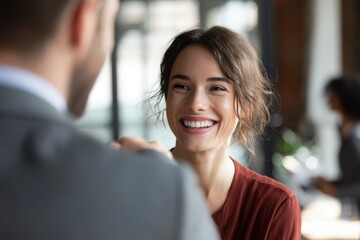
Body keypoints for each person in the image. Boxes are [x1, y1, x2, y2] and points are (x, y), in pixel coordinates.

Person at [0, 0, 220, 239]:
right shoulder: (162, 196)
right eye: (110, 23)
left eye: (217, 88)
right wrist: (162, 186)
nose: (197, 103)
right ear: (82, 18)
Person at [147, 26, 302, 239]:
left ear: (246, 105)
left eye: (217, 88)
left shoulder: (274, 207)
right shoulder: (131, 191)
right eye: (181, 86)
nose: (195, 104)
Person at [312, 75, 360, 216]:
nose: (328, 99)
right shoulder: (347, 132)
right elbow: (353, 177)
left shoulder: (356, 135)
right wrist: (328, 183)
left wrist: (337, 191)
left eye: (332, 94)